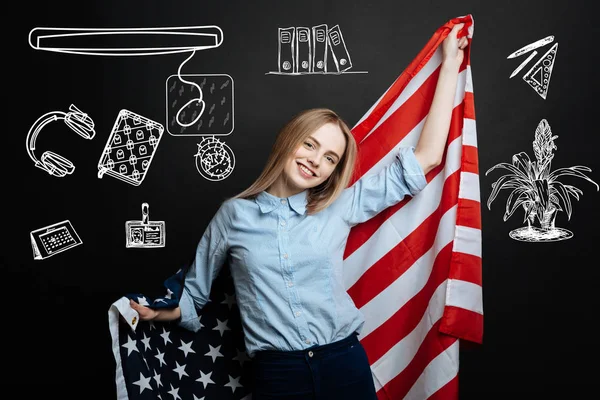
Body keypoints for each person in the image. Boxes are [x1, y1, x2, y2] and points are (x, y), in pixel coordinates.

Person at [130, 23, 469, 400]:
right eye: (310, 144)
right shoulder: (233, 216)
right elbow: (195, 291)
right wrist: (159, 314)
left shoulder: (339, 207)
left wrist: (450, 62)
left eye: (329, 158)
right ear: (289, 140)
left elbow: (426, 158)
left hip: (344, 364)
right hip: (277, 376)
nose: (315, 161)